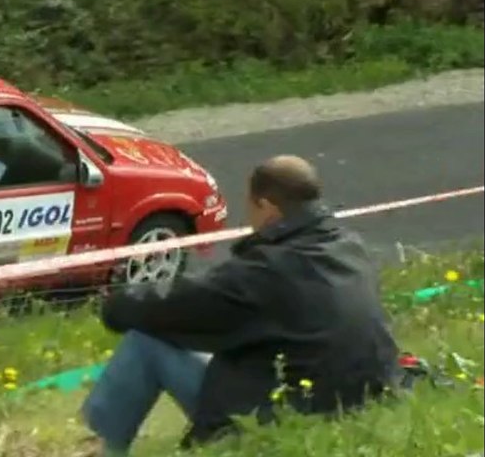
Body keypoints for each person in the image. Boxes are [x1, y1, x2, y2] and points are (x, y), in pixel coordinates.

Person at [78, 155, 401, 455]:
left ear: (267, 206)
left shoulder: (266, 270)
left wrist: (115, 305)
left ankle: (95, 447)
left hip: (284, 416)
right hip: (354, 404)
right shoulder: (350, 247)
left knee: (146, 342)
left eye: (250, 205)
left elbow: (178, 303)